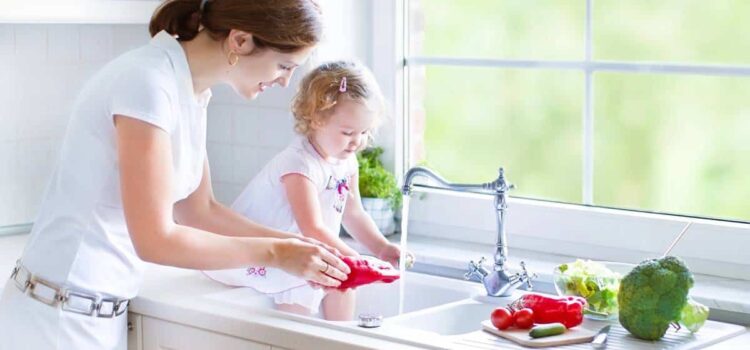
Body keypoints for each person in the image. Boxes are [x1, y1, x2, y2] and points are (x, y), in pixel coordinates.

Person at [0, 1, 350, 349]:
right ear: (241, 41)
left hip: (95, 315)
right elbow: (154, 240)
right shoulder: (147, 82)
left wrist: (300, 247)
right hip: (55, 321)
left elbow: (200, 211)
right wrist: (275, 253)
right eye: (284, 65)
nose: (285, 81)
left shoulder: (192, 92)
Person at [203, 61, 407, 321]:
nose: (357, 141)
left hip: (305, 249)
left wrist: (381, 248)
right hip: (261, 252)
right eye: (348, 132)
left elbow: (354, 214)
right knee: (306, 286)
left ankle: (339, 340)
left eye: (365, 132)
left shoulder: (347, 160)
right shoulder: (299, 164)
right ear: (317, 119)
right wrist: (357, 260)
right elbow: (312, 228)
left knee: (343, 282)